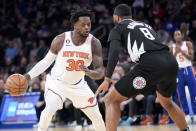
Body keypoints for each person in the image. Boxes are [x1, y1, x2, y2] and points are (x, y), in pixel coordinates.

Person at [95, 4, 189, 131]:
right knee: (166, 102)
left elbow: (114, 52)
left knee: (110, 99)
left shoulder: (118, 27)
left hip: (151, 64)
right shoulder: (145, 25)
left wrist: (107, 79)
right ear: (130, 17)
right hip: (171, 62)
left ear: (116, 17)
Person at [24, 8, 105, 131]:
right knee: (51, 107)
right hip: (57, 83)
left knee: (97, 117)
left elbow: (100, 72)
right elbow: (46, 62)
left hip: (78, 85)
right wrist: (27, 76)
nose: (87, 27)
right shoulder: (61, 39)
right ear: (74, 25)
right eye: (83, 25)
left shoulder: (94, 43)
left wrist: (90, 72)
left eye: (89, 24)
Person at [172, 30, 196, 123]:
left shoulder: (188, 44)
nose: (177, 36)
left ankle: (195, 113)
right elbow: (171, 62)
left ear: (181, 35)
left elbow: (192, 57)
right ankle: (186, 114)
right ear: (174, 37)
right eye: (175, 34)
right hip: (179, 71)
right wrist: (176, 53)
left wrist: (181, 51)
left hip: (188, 69)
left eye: (179, 34)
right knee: (181, 94)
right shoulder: (172, 47)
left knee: (194, 92)